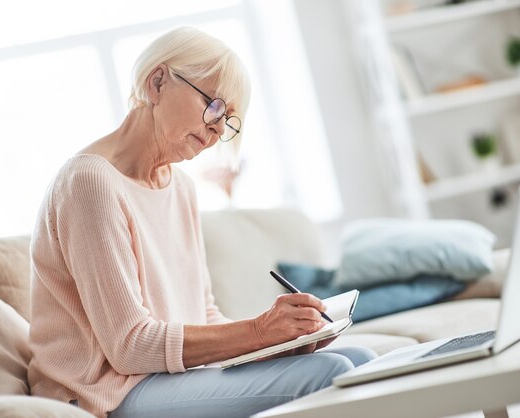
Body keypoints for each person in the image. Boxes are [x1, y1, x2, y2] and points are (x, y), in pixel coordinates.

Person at [28, 27, 376, 418]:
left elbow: (203, 315)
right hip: (105, 395)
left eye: (227, 121)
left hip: (168, 378)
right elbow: (129, 347)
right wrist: (259, 331)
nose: (215, 129)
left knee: (363, 359)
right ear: (157, 82)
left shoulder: (181, 188)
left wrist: (277, 343)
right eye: (213, 105)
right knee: (331, 372)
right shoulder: (90, 182)